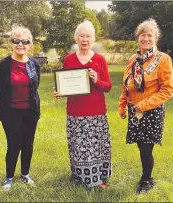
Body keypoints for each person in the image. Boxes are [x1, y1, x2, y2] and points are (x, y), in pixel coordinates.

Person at [54, 20, 112, 189]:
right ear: (76, 38)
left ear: (92, 39)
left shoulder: (100, 60)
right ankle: (79, 176)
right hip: (75, 112)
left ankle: (99, 178)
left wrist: (97, 80)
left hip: (96, 112)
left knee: (96, 146)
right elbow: (65, 85)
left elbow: (108, 87)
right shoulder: (69, 60)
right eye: (81, 36)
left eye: (88, 36)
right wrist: (59, 92)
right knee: (78, 145)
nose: (84, 39)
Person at [118, 18, 173, 194]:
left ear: (155, 38)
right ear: (138, 37)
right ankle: (146, 177)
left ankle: (146, 180)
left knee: (146, 147)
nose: (146, 39)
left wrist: (144, 105)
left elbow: (168, 90)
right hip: (135, 110)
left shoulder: (163, 59)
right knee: (140, 145)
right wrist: (122, 105)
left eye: (150, 35)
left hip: (152, 111)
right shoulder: (133, 59)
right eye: (143, 35)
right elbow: (126, 85)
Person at [0, 25, 40, 190]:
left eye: (25, 41)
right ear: (11, 42)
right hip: (10, 112)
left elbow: (36, 84)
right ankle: (9, 178)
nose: (21, 44)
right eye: (16, 40)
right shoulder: (2, 66)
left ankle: (25, 174)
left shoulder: (34, 64)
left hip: (31, 111)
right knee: (14, 143)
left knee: (28, 143)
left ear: (30, 44)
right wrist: (8, 104)